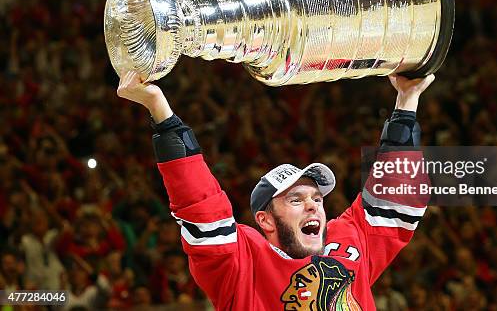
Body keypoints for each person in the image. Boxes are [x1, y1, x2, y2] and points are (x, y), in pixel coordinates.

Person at [117, 70, 435, 310]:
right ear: (266, 220)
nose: (313, 206)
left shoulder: (346, 239)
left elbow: (397, 199)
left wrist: (406, 103)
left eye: (316, 198)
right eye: (295, 199)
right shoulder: (243, 265)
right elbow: (202, 210)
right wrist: (160, 111)